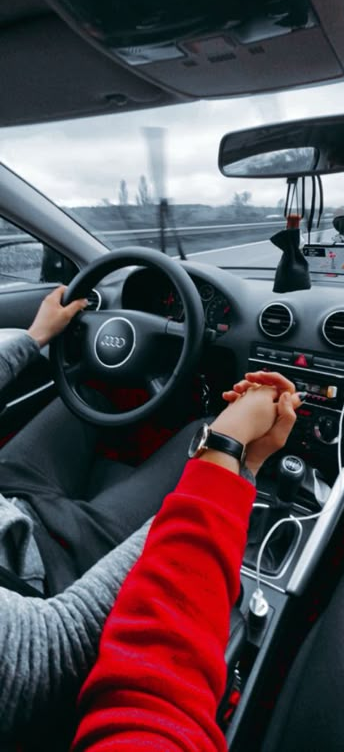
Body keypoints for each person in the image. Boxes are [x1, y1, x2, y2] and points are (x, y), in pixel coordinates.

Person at [72, 371, 301, 751]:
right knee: (201, 425)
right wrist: (225, 445)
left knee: (94, 394)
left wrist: (238, 463)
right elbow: (152, 702)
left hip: (17, 518)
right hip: (47, 565)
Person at [0, 285, 208, 595]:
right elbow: (60, 629)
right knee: (210, 433)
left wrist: (35, 337)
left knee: (87, 397)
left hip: (7, 498)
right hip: (39, 572)